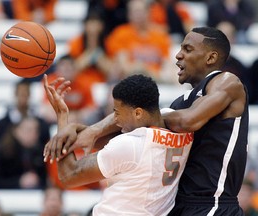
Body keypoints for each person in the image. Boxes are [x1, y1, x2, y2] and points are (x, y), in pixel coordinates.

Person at [44, 26, 249, 215]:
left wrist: (151, 117)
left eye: (187, 49)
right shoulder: (182, 103)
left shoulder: (227, 82)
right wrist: (88, 130)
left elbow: (186, 121)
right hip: (179, 205)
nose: (178, 55)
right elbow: (136, 116)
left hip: (213, 204)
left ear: (211, 57)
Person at [43, 74, 194, 215]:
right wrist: (81, 129)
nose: (115, 119)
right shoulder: (181, 129)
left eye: (117, 112)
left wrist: (62, 118)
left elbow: (69, 176)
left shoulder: (130, 145)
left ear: (138, 113)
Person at [0, 116, 47, 189]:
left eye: (36, 130)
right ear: (16, 130)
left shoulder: (41, 151)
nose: (33, 134)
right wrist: (19, 181)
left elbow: (46, 179)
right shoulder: (4, 152)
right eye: (29, 130)